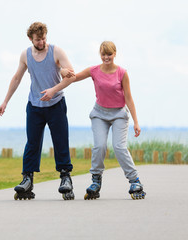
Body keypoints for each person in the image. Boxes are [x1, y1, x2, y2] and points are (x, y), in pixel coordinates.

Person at [42, 41, 146, 200]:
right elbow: (73, 77)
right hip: (100, 114)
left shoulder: (122, 73)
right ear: (100, 54)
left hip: (119, 113)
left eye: (109, 54)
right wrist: (62, 71)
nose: (106, 57)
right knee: (99, 146)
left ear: (115, 54)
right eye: (103, 54)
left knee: (119, 147)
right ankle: (96, 180)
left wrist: (136, 122)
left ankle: (135, 181)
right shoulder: (94, 71)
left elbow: (129, 98)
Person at [0, 22, 76, 200]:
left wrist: (53, 90)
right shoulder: (26, 55)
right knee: (32, 143)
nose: (41, 43)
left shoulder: (56, 51)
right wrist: (5, 101)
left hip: (56, 103)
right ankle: (27, 179)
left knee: (60, 140)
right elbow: (17, 77)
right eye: (38, 40)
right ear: (30, 39)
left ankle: (65, 178)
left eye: (43, 39)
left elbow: (72, 76)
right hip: (34, 105)